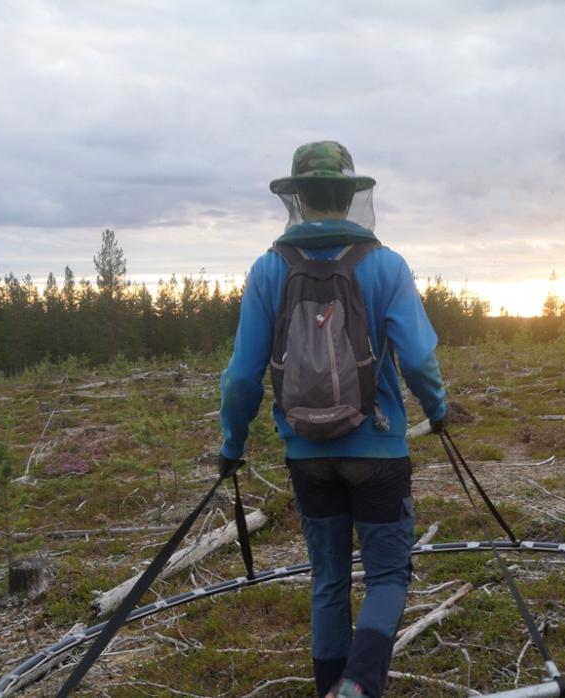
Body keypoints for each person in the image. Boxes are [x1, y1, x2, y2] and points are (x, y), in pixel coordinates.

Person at [218, 141, 448, 698]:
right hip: (379, 452)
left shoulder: (269, 269)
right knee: (389, 576)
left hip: (306, 454)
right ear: (349, 194)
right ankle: (361, 687)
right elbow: (417, 358)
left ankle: (331, 689)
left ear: (296, 197)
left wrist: (233, 444)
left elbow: (243, 377)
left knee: (328, 581)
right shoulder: (386, 265)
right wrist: (437, 411)